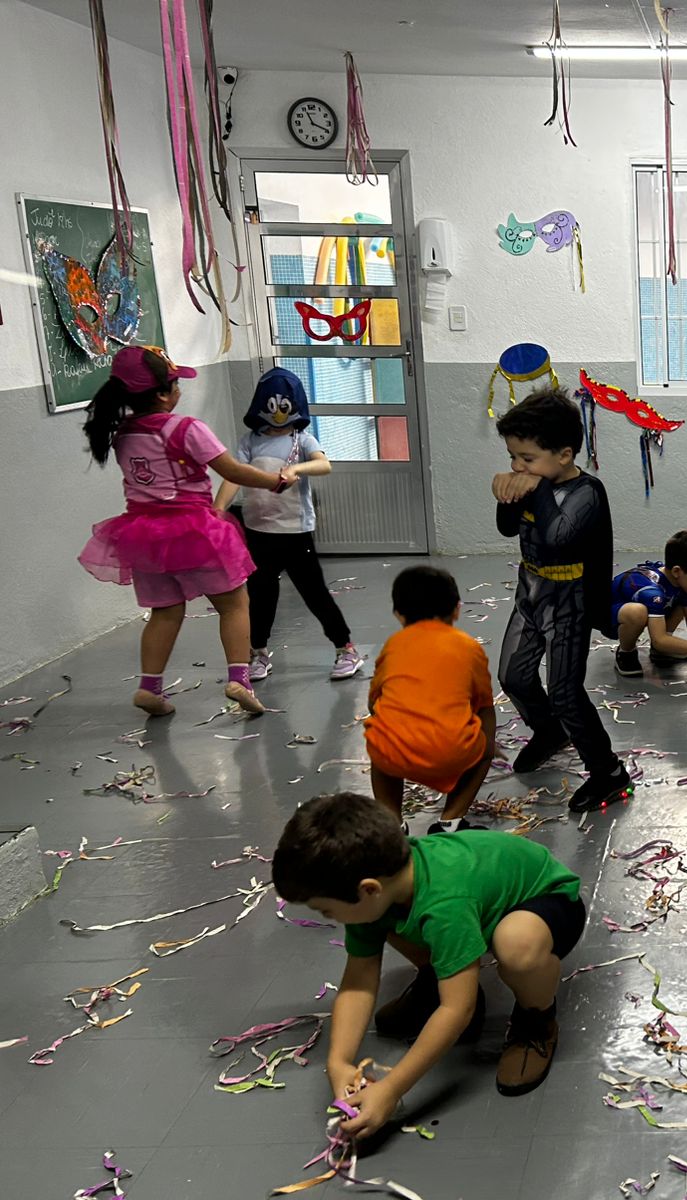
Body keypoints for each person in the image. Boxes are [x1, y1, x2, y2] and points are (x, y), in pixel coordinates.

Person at [272, 793, 587, 1126]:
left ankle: (536, 1020)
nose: (330, 918)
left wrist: (391, 1089)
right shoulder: (381, 883)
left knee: (516, 945)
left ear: (368, 889)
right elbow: (358, 982)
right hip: (474, 906)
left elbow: (457, 1009)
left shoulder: (445, 902)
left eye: (327, 910)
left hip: (549, 900)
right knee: (384, 918)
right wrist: (338, 1061)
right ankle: (437, 980)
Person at [78, 344, 288, 717]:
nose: (179, 389)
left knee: (164, 611)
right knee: (234, 604)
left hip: (144, 536)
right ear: (162, 394)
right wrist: (275, 480)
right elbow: (232, 471)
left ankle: (149, 688)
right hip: (195, 532)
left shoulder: (122, 434)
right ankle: (239, 680)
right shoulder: (187, 428)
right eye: (175, 383)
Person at [492, 390, 632, 813]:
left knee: (565, 692)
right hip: (530, 592)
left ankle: (609, 773)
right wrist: (504, 495)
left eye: (527, 458)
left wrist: (532, 490)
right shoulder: (532, 480)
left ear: (565, 454)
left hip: (570, 601)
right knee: (513, 676)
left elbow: (558, 538)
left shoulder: (587, 492)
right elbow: (507, 528)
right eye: (513, 457)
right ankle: (550, 731)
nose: (518, 467)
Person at [213, 366, 362, 684]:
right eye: (272, 405)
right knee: (260, 595)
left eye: (284, 406)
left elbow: (323, 464)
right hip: (258, 532)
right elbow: (234, 475)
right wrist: (217, 509)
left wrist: (297, 469)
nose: (278, 413)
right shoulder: (249, 442)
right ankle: (258, 652)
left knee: (315, 593)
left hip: (296, 533)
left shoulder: (303, 440)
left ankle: (345, 648)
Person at [364, 566, 495, 833]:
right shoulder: (469, 647)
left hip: (394, 754)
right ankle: (451, 820)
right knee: (486, 742)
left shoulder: (393, 645)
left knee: (380, 742)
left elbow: (373, 702)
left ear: (398, 614)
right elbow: (482, 704)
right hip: (452, 753)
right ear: (457, 610)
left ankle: (392, 823)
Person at [608, 529, 687, 677]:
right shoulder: (652, 593)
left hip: (646, 606)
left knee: (685, 595)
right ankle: (626, 652)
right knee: (637, 612)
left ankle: (663, 651)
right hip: (608, 615)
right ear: (677, 571)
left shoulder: (681, 582)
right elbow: (659, 640)